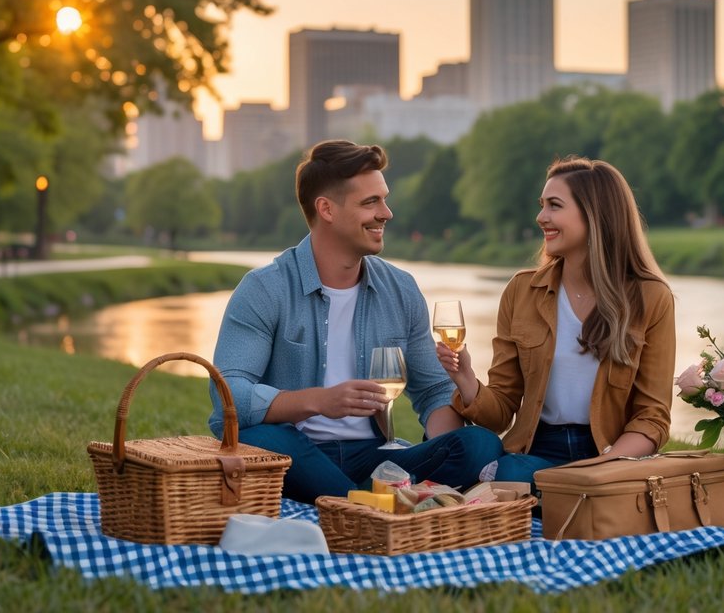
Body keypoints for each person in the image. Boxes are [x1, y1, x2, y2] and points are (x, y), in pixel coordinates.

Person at [209, 140, 503, 504]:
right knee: (265, 440)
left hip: (374, 455)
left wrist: (447, 446)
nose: (387, 213)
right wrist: (320, 401)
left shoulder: (400, 288)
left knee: (480, 444)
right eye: (371, 202)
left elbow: (434, 392)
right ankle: (371, 505)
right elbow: (227, 394)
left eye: (384, 199)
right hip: (297, 451)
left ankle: (362, 500)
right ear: (326, 209)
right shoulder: (264, 288)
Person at [437, 156, 676, 486]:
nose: (541, 217)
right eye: (542, 205)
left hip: (614, 453)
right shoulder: (522, 291)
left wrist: (602, 467)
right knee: (508, 472)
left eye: (554, 206)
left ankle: (564, 497)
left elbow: (652, 416)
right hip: (539, 450)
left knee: (528, 485)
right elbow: (502, 410)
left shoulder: (652, 297)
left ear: (594, 215)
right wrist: (465, 380)